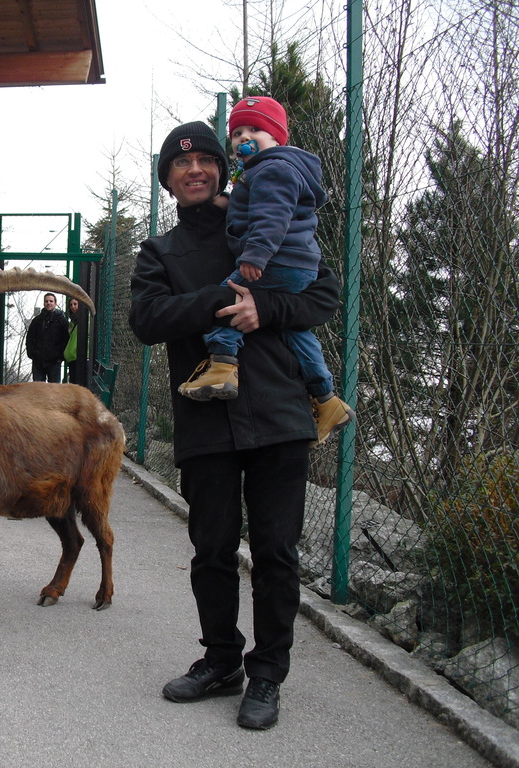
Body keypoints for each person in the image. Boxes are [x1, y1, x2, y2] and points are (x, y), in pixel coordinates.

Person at [128, 120, 343, 730]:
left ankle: (268, 673)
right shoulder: (160, 252)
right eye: (180, 164)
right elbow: (147, 319)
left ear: (223, 170)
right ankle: (222, 660)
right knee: (212, 550)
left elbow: (324, 294)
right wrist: (222, 301)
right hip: (205, 419)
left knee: (276, 552)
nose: (194, 170)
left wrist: (265, 306)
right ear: (168, 180)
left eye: (205, 161)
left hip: (279, 413)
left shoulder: (261, 218)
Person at [177, 96, 354, 444]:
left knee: (228, 297)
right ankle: (326, 398)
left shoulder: (273, 169)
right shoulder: (270, 170)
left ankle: (222, 366)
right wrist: (230, 201)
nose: (244, 137)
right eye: (237, 132)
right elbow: (261, 203)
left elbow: (272, 215)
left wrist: (256, 255)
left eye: (254, 130)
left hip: (275, 260)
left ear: (276, 137)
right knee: (297, 333)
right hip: (297, 264)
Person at [25, 292, 68, 382]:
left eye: (51, 301)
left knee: (54, 389)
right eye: (46, 301)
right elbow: (30, 338)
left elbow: (66, 339)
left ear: (55, 303)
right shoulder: (37, 320)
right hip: (38, 362)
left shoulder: (62, 321)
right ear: (43, 303)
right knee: (38, 389)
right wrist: (32, 354)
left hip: (54, 362)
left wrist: (60, 357)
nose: (48, 303)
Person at [63, 296, 89, 386]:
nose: (73, 307)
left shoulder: (85, 320)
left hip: (81, 358)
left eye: (75, 304)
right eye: (71, 305)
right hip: (72, 358)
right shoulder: (72, 323)